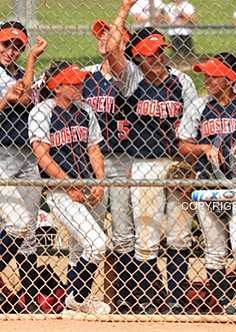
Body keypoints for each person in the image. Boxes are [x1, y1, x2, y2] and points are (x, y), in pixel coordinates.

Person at [107, 0, 197, 314]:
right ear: (139, 56)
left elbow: (191, 124)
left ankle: (174, 300)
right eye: (150, 52)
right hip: (143, 164)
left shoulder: (181, 81)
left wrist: (190, 167)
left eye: (161, 51)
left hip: (176, 164)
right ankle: (148, 299)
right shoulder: (132, 79)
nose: (158, 57)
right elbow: (111, 52)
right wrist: (122, 11)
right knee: (146, 236)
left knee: (179, 235)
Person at [178, 52, 236, 314]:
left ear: (229, 79)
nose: (207, 80)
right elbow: (183, 144)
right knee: (215, 248)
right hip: (208, 185)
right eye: (205, 75)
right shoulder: (198, 106)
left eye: (213, 76)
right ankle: (222, 303)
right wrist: (204, 147)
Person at [29, 61, 110, 314]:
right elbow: (42, 156)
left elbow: (93, 148)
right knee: (97, 244)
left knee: (79, 249)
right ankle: (77, 298)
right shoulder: (42, 112)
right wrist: (68, 185)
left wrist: (99, 181)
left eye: (80, 81)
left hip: (87, 187)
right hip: (59, 191)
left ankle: (75, 303)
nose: (79, 85)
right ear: (56, 86)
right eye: (73, 82)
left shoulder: (85, 110)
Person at [83, 19, 135, 313]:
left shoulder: (128, 76)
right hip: (91, 163)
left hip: (121, 160)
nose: (104, 40)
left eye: (111, 36)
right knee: (92, 229)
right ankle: (83, 295)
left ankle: (123, 296)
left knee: (124, 231)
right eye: (100, 36)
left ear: (123, 43)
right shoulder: (84, 77)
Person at [0, 21, 47, 313]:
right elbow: (22, 95)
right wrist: (32, 60)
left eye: (18, 46)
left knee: (27, 231)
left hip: (27, 157)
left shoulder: (19, 72)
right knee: (16, 223)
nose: (11, 50)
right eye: (6, 44)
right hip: (2, 156)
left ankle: (28, 295)